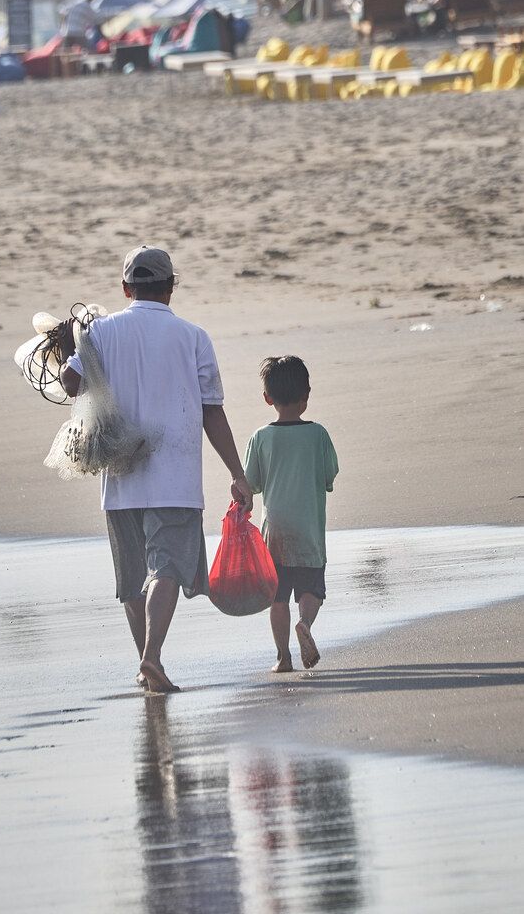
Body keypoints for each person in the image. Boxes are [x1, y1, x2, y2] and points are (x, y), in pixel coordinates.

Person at [59, 247, 253, 693]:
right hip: (176, 477)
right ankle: (152, 658)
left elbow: (71, 385)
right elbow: (212, 413)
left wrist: (76, 344)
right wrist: (236, 473)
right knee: (165, 567)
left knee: (131, 580)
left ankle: (148, 666)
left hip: (119, 474)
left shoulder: (101, 332)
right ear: (171, 287)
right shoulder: (194, 336)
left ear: (126, 288)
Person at [244, 356, 338, 673]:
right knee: (311, 590)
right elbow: (329, 476)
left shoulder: (260, 437)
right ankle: (305, 625)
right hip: (309, 531)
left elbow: (252, 484)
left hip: (275, 532)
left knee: (278, 597)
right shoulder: (318, 435)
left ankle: (283, 657)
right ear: (306, 396)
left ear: (268, 398)